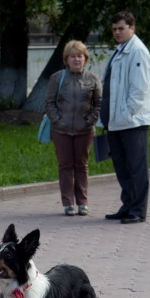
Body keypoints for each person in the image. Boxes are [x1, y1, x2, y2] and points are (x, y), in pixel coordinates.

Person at [100, 11, 150, 225]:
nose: (117, 32)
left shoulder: (137, 51)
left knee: (136, 168)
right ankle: (128, 205)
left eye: (121, 28)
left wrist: (125, 115)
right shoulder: (120, 50)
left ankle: (138, 210)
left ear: (132, 28)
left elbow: (139, 90)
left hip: (132, 122)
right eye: (114, 29)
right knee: (122, 168)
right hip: (116, 122)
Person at [45, 40, 101, 216]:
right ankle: (68, 203)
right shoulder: (57, 78)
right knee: (65, 165)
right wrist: (58, 120)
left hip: (84, 130)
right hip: (61, 130)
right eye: (72, 56)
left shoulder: (93, 78)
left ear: (85, 58)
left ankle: (82, 202)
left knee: (82, 165)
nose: (76, 59)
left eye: (80, 56)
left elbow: (99, 104)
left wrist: (89, 121)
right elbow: (49, 103)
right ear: (66, 59)